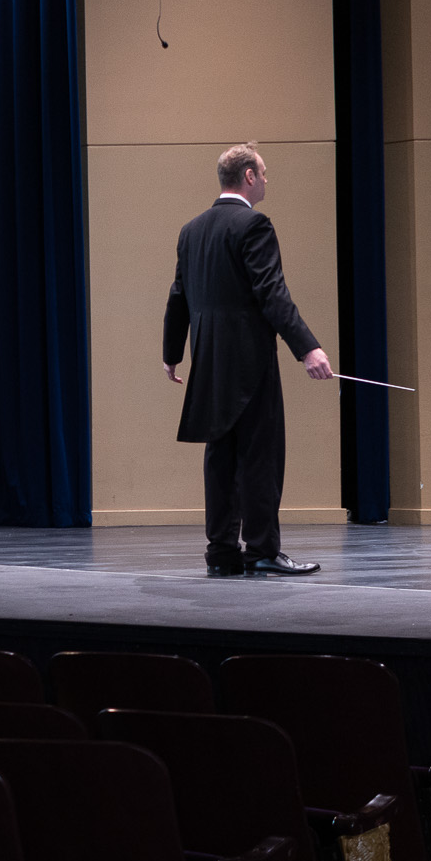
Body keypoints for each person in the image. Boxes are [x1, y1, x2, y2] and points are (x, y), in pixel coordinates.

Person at [163, 142, 333, 576]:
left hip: (208, 360)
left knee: (220, 455)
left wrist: (172, 354)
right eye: (265, 172)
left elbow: (179, 296)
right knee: (261, 456)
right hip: (249, 361)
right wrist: (307, 348)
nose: (267, 180)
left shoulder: (191, 230)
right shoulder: (254, 224)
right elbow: (272, 292)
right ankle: (261, 550)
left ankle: (221, 552)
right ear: (249, 176)